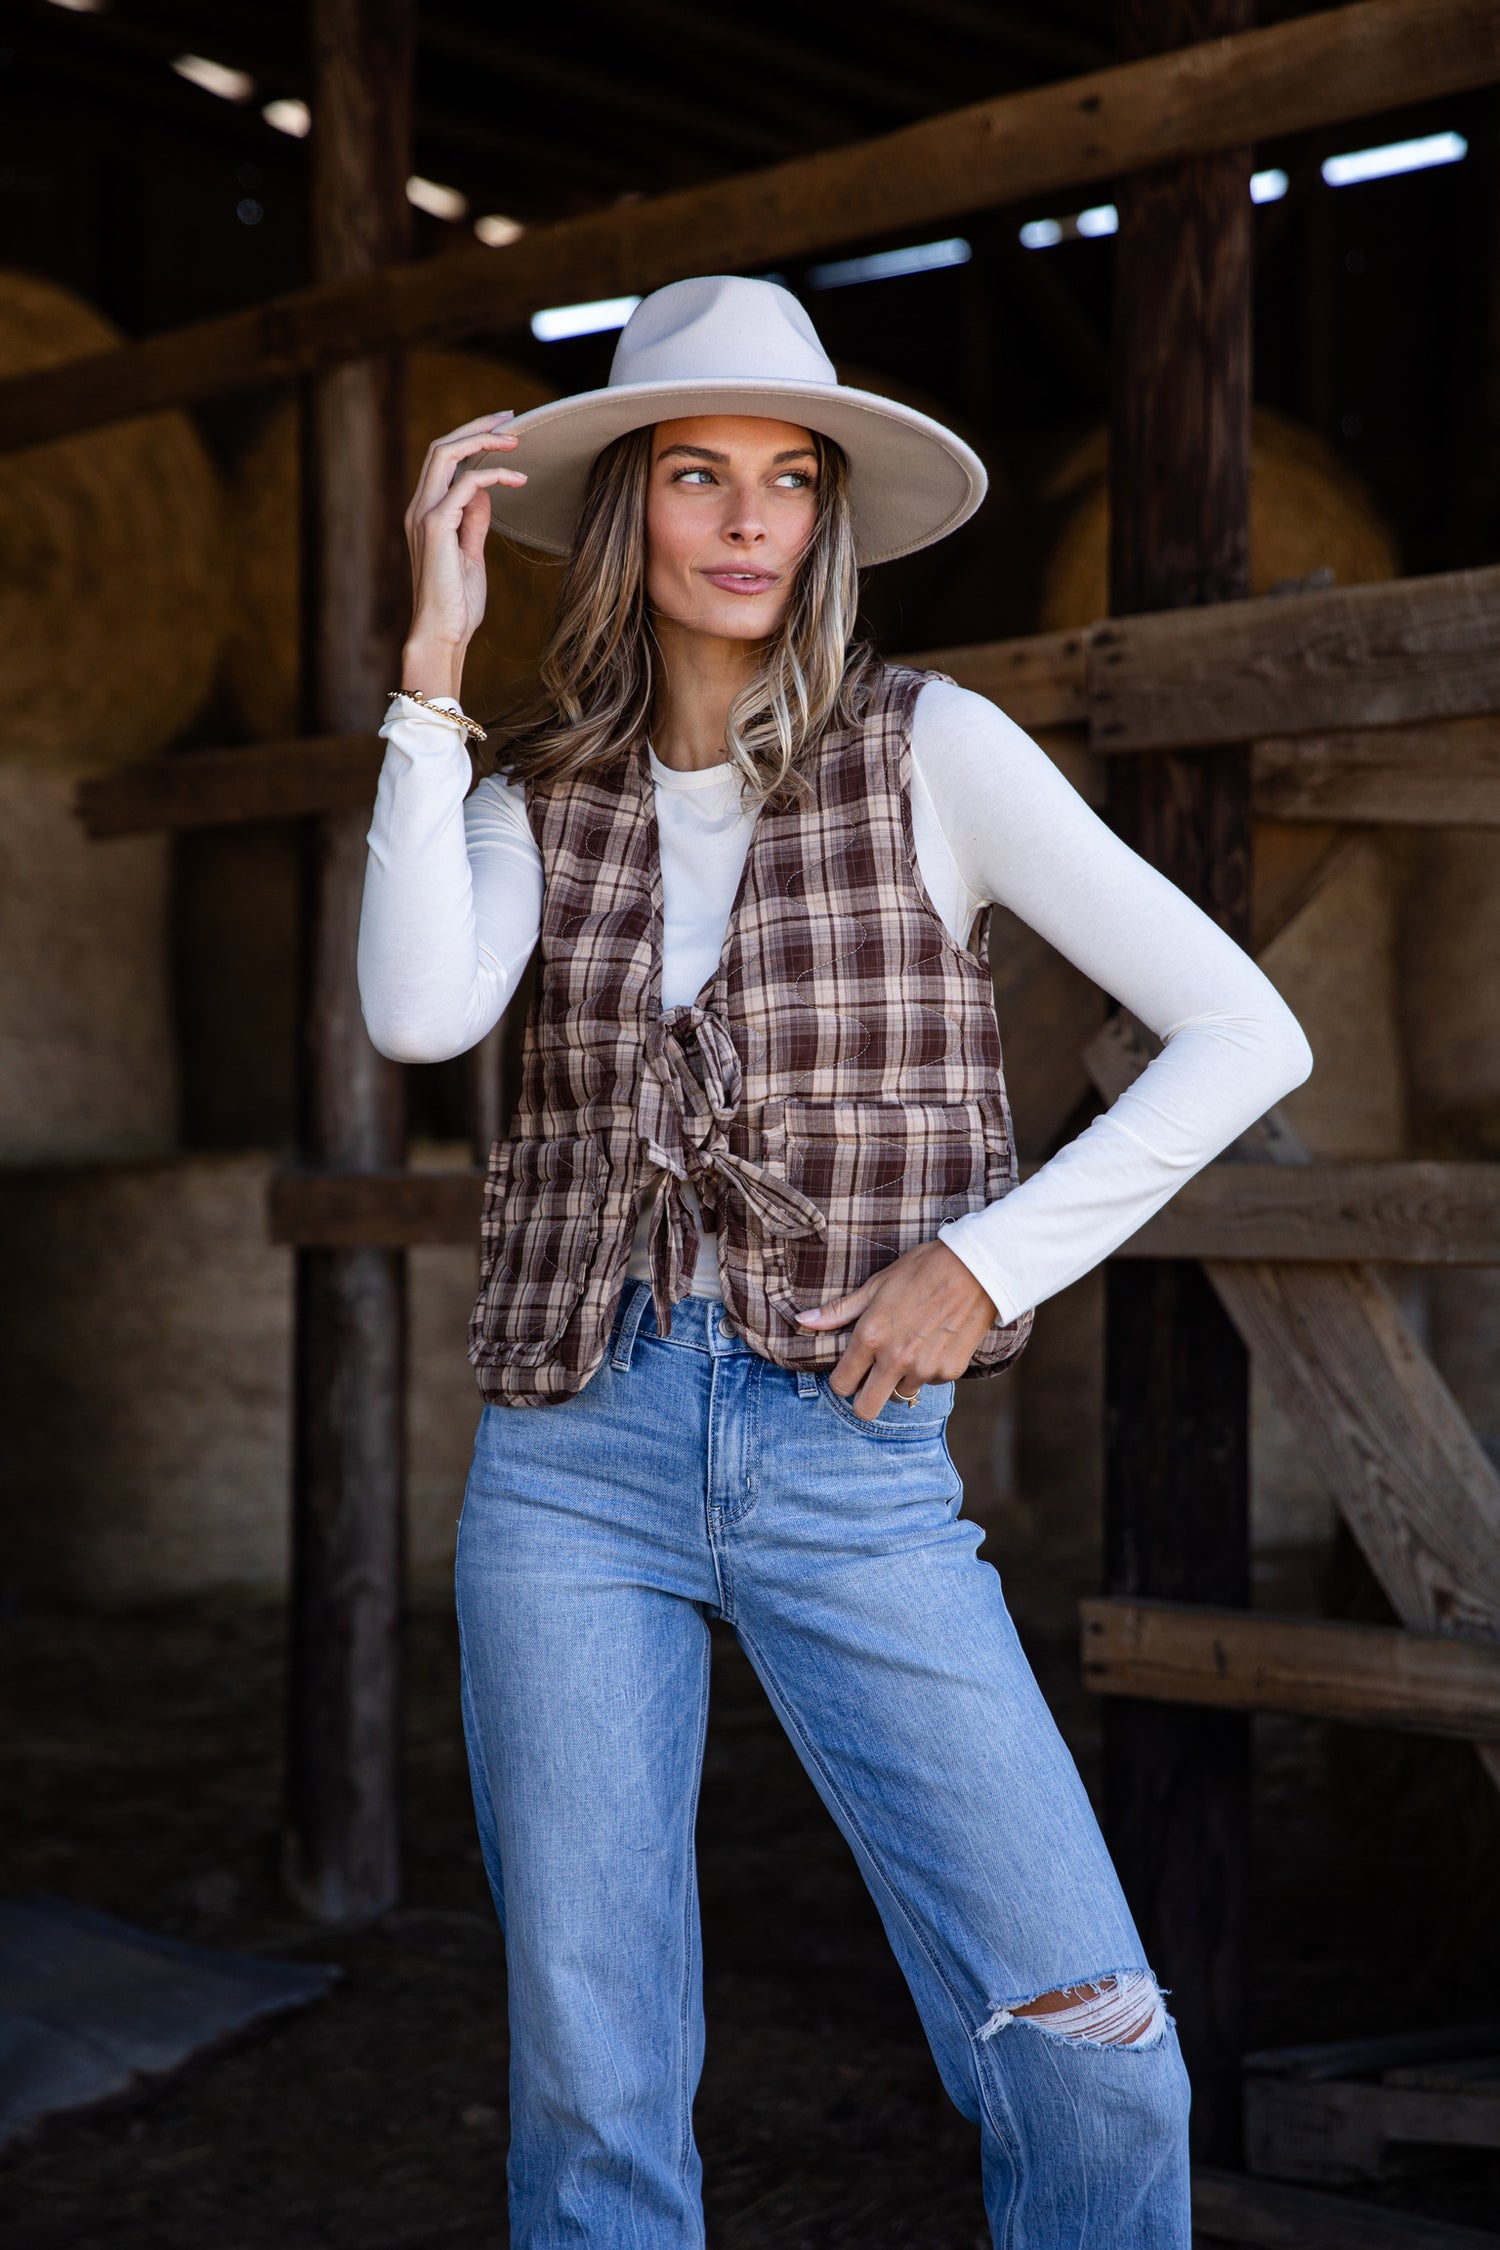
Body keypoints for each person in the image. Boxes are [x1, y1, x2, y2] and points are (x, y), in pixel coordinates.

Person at [357, 275, 1312, 2248]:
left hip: (845, 1466)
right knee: (595, 2093)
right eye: (696, 474)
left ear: (824, 516)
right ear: (628, 515)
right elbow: (418, 1011)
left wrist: (982, 1257)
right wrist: (432, 674)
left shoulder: (931, 750)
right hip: (571, 1464)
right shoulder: (543, 801)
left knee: (1092, 2038)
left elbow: (1243, 1032)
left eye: (788, 478)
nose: (748, 517)